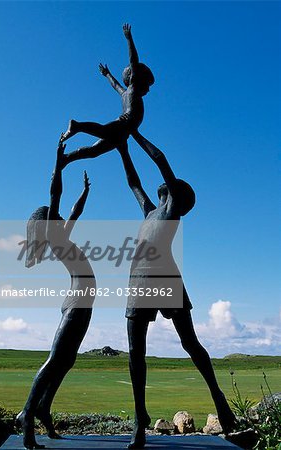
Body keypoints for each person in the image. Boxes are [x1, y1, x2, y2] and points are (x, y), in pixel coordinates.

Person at [118, 132, 237, 449]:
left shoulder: (170, 212)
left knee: (190, 343)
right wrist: (122, 147)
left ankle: (220, 399)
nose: (167, 186)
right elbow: (133, 182)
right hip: (138, 282)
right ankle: (139, 418)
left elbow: (161, 161)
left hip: (166, 278)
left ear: (174, 197)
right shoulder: (149, 211)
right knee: (135, 352)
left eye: (172, 187)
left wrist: (135, 133)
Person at [16, 139, 96, 449]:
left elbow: (72, 210)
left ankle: (44, 410)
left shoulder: (61, 235)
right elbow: (56, 194)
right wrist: (58, 163)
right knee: (54, 360)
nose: (61, 215)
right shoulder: (53, 235)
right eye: (55, 213)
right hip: (76, 302)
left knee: (67, 361)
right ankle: (27, 413)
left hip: (82, 301)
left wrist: (85, 192)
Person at [60, 24, 154, 166]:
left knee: (94, 151)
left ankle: (67, 158)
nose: (148, 89)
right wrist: (129, 38)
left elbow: (115, 85)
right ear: (137, 79)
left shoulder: (125, 94)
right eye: (147, 84)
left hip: (123, 133)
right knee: (103, 131)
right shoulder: (132, 89)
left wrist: (107, 74)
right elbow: (133, 61)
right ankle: (77, 126)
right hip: (123, 125)